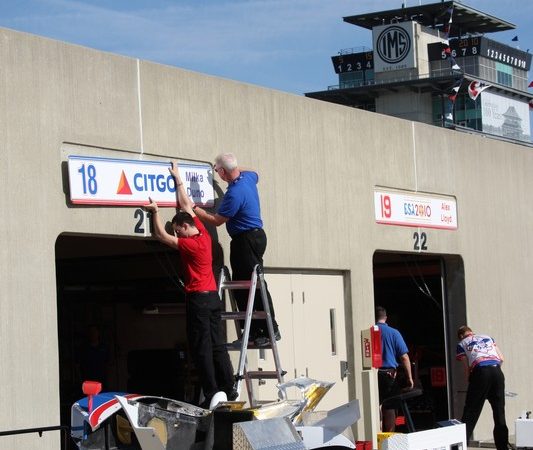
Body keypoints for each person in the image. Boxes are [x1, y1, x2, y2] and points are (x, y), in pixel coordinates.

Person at [144, 162, 236, 408]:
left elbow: (162, 237)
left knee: (201, 347)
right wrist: (178, 179)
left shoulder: (190, 244)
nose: (178, 234)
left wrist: (155, 212)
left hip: (198, 299)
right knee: (218, 344)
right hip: (213, 298)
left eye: (179, 230)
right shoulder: (203, 235)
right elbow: (186, 205)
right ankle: (229, 386)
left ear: (185, 227)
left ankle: (211, 389)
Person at [192, 152, 280, 347]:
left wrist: (194, 210)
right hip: (254, 237)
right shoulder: (247, 178)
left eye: (217, 170)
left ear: (223, 171)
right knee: (247, 284)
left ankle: (266, 330)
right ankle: (256, 331)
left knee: (249, 286)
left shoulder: (235, 193)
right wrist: (234, 167)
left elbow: (217, 221)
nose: (217, 174)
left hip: (245, 240)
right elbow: (254, 172)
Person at [456, 325, 509, 450]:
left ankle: (461, 445)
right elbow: (501, 358)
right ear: (471, 331)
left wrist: (471, 379)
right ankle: (502, 446)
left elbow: (466, 367)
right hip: (497, 372)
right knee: (499, 412)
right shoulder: (488, 337)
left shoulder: (462, 343)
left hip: (480, 371)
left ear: (461, 336)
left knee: (471, 411)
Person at [375, 306, 414, 432]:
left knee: (376, 406)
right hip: (389, 375)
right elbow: (404, 357)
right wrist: (410, 378)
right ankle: (388, 439)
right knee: (390, 407)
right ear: (385, 318)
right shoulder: (394, 333)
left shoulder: (370, 331)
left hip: (373, 375)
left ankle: (377, 437)